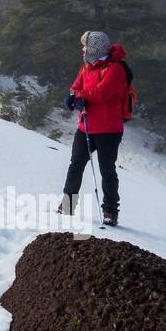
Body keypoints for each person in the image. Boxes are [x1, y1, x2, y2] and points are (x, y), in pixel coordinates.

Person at [58, 30, 127, 226]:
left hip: (109, 129)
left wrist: (80, 96)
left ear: (95, 49)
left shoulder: (115, 69)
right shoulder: (86, 66)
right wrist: (74, 96)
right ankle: (68, 204)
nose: (83, 49)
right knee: (76, 165)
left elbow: (102, 93)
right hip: (86, 125)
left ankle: (111, 212)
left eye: (85, 46)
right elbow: (75, 86)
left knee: (107, 170)